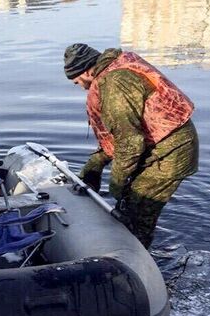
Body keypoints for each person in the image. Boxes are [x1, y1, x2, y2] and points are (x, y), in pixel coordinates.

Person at [63, 43, 199, 248]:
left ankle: (135, 260)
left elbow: (130, 143)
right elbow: (121, 135)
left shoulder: (114, 84)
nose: (81, 87)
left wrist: (116, 186)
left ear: (87, 70)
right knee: (129, 202)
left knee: (137, 208)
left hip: (171, 151)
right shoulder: (113, 71)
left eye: (78, 81)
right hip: (157, 147)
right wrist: (96, 164)